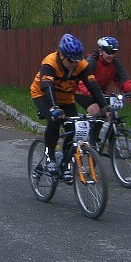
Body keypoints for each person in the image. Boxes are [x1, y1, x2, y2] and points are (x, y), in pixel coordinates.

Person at [30, 33, 108, 178]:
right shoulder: (50, 63)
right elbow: (47, 87)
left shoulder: (81, 65)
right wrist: (54, 107)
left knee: (73, 129)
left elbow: (92, 86)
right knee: (55, 121)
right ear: (61, 55)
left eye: (77, 60)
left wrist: (104, 107)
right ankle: (50, 159)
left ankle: (65, 162)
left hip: (66, 98)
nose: (74, 64)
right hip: (43, 95)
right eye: (71, 60)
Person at [74, 36, 131, 109]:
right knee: (95, 110)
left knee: (109, 112)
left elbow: (123, 79)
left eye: (113, 52)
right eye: (108, 52)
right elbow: (82, 82)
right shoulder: (92, 61)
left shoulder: (115, 63)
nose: (111, 55)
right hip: (82, 92)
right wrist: (93, 93)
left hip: (99, 92)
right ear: (101, 51)